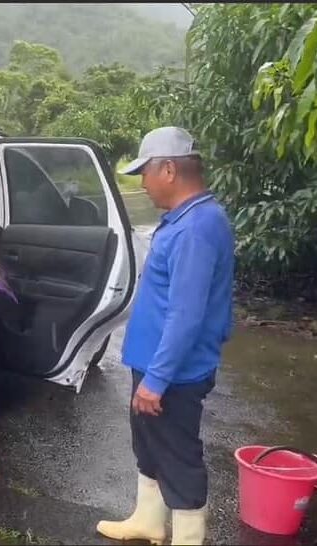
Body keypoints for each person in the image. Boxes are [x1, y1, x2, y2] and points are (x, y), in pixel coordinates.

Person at [96, 127, 234, 545]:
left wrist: (157, 380)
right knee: (151, 447)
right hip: (156, 363)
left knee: (178, 458)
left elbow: (186, 315)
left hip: (174, 373)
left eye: (145, 172)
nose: (142, 183)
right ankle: (148, 521)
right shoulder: (188, 219)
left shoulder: (196, 227)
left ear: (169, 169)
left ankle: (188, 539)